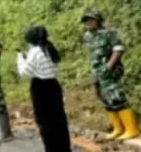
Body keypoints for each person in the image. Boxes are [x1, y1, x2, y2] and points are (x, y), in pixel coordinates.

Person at [81, 9, 138, 140]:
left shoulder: (108, 32)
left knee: (116, 96)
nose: (89, 23)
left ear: (98, 20)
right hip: (97, 70)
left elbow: (118, 49)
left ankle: (132, 129)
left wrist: (109, 66)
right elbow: (92, 54)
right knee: (105, 99)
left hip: (110, 69)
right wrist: (95, 72)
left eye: (91, 20)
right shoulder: (88, 35)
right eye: (86, 20)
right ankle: (118, 128)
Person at [16, 26, 72, 152]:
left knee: (45, 122)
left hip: (40, 88)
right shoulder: (49, 47)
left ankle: (51, 149)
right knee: (59, 121)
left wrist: (20, 58)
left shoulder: (35, 51)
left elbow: (25, 72)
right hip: (53, 85)